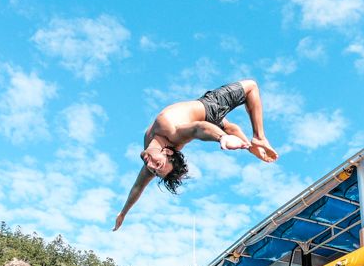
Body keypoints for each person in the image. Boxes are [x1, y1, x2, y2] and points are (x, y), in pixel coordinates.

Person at [113, 79, 278, 231]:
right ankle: (257, 139)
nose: (150, 166)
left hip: (206, 117)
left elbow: (138, 186)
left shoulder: (151, 155)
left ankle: (251, 145)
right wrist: (222, 137)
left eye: (156, 169)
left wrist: (123, 212)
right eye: (157, 167)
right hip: (209, 109)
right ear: (168, 151)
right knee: (251, 87)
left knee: (232, 126)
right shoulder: (173, 133)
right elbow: (200, 128)